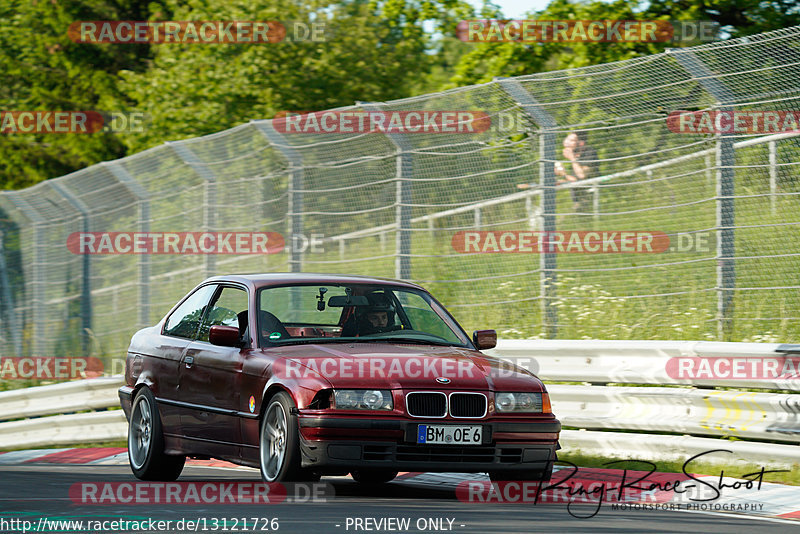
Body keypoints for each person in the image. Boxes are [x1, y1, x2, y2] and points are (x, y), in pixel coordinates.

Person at [516, 130, 598, 213]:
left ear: (581, 143)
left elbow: (582, 176)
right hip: (577, 200)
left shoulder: (589, 153)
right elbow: (573, 179)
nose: (566, 142)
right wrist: (557, 180)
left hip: (591, 197)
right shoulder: (573, 157)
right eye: (567, 139)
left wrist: (571, 160)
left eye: (572, 140)